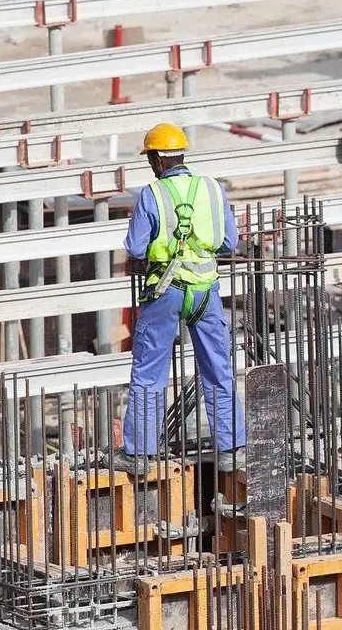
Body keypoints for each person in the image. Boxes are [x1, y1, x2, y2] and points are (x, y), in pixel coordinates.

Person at [110, 122, 245, 476]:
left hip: (166, 291)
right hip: (205, 292)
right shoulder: (213, 189)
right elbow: (230, 243)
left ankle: (138, 455)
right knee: (218, 370)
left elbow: (136, 248)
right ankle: (231, 449)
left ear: (156, 159)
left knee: (149, 373)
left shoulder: (152, 195)